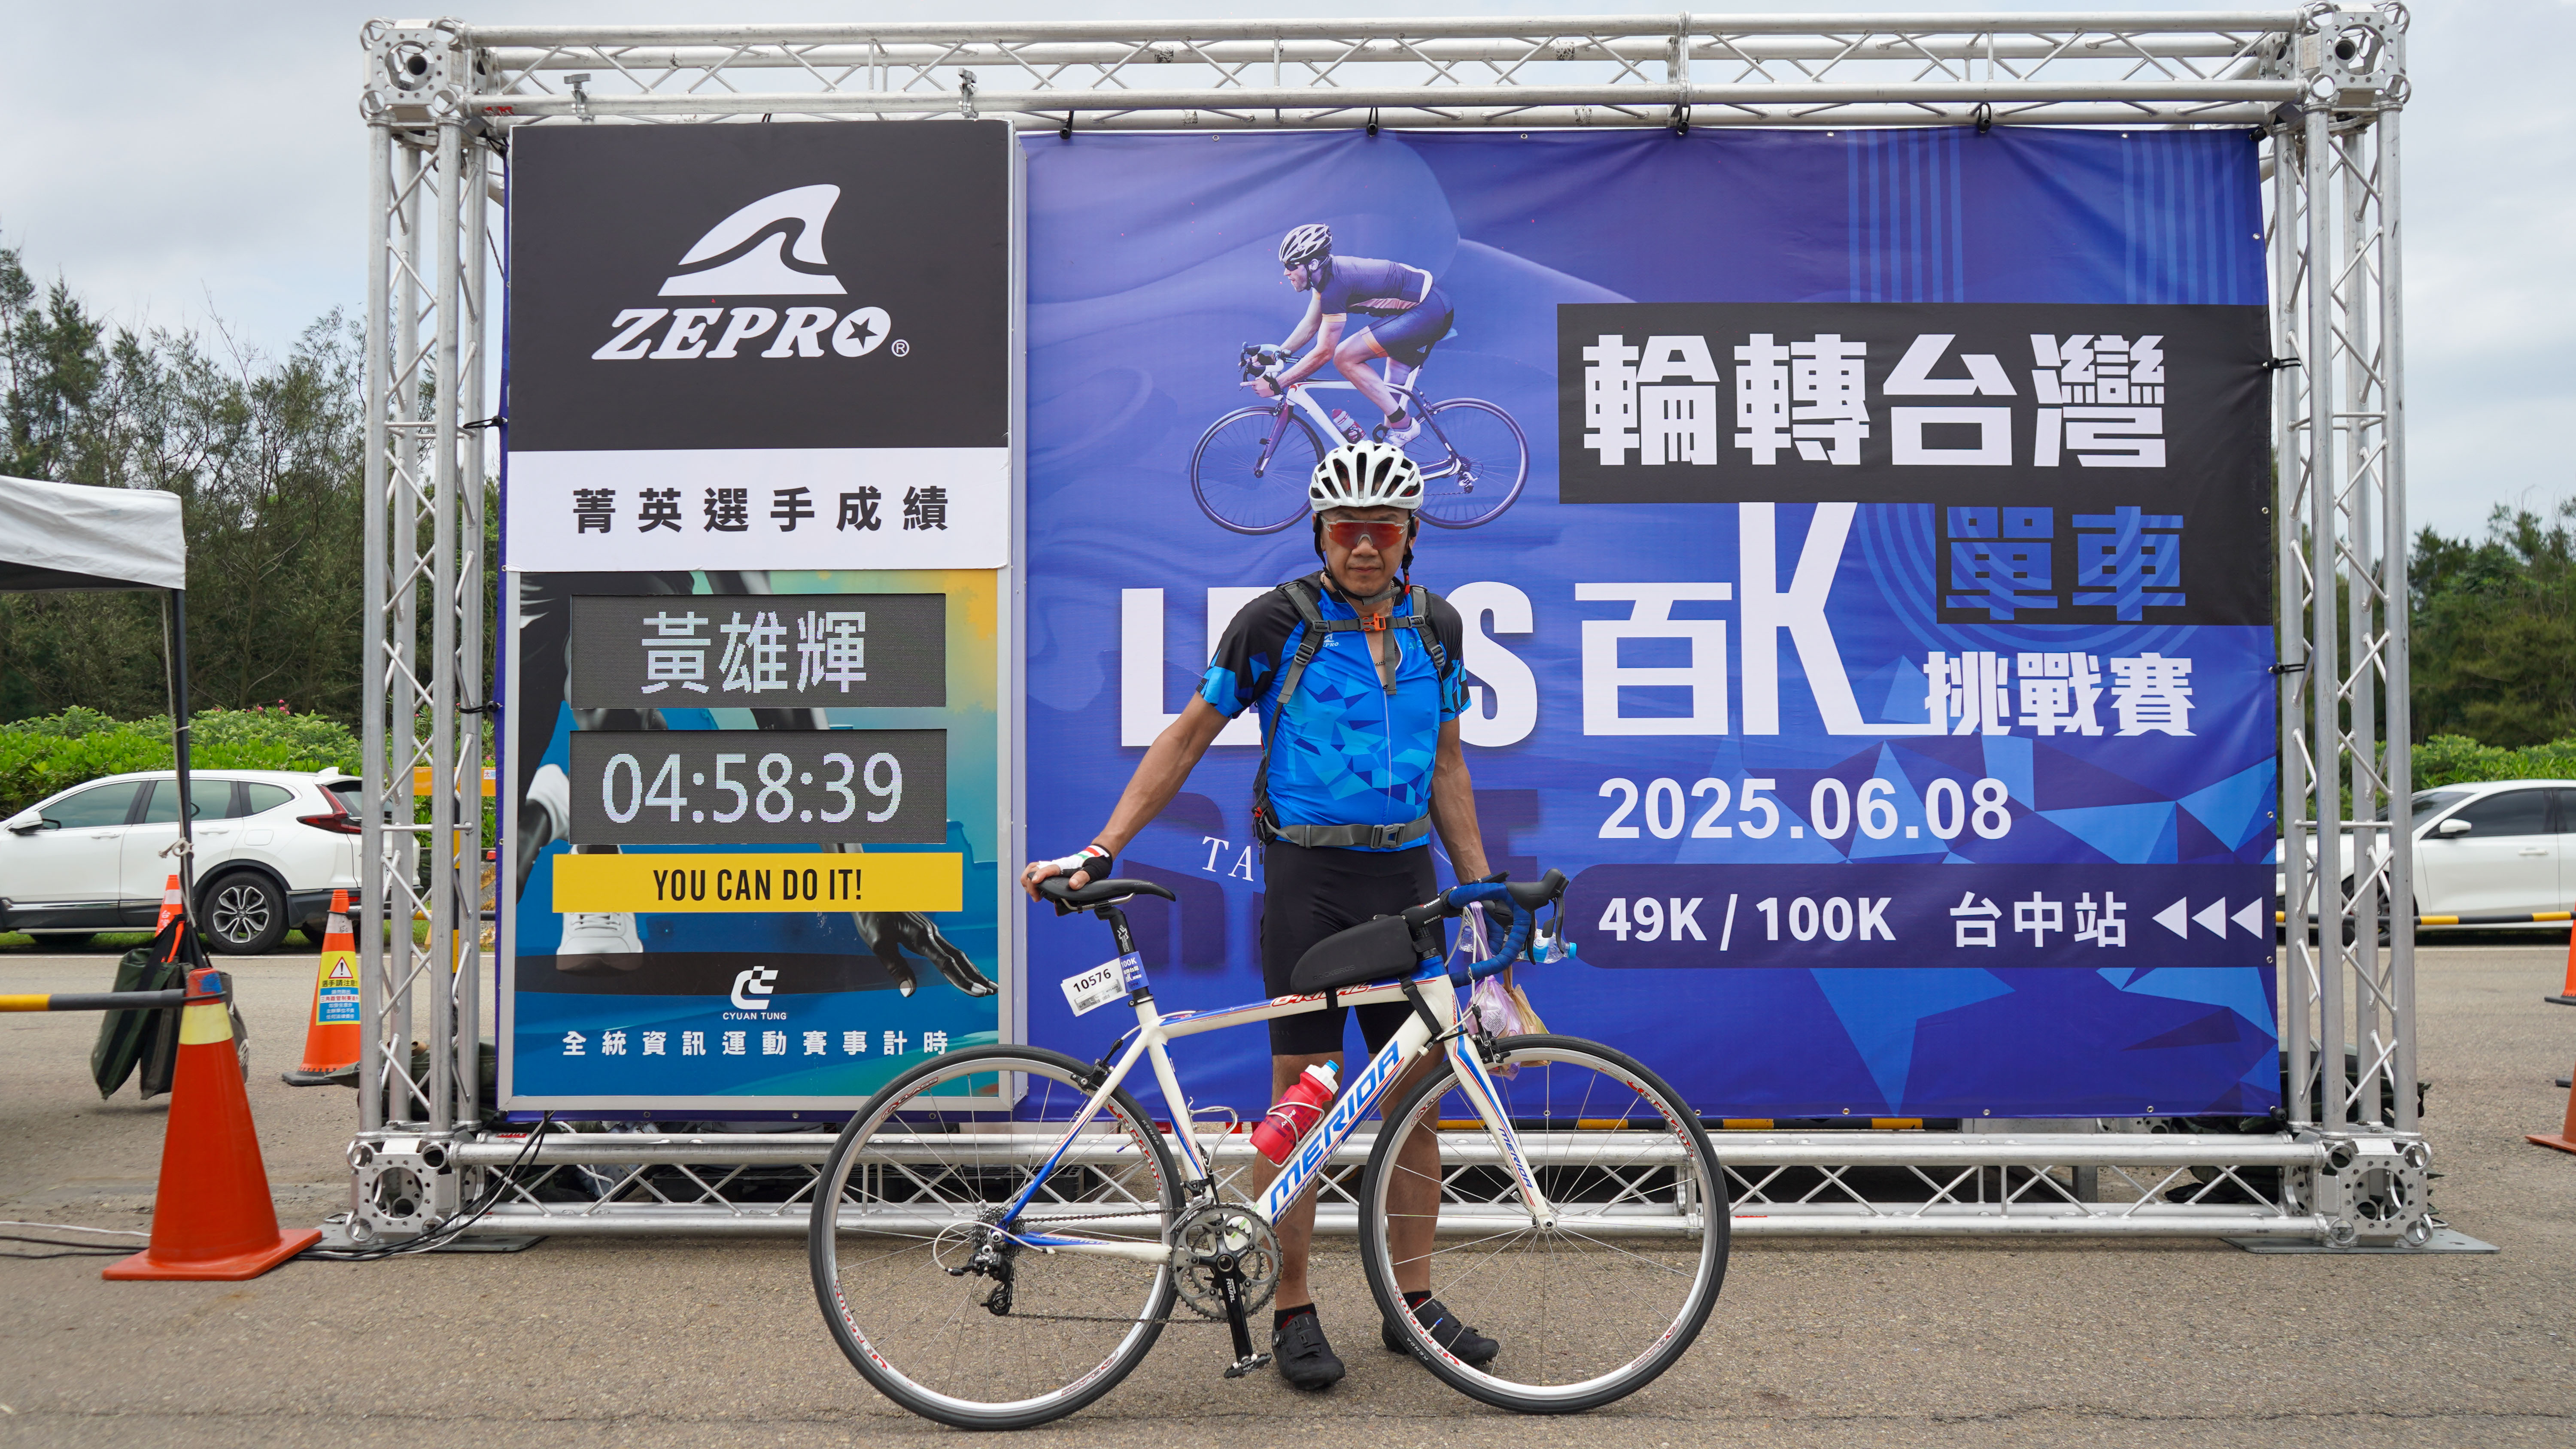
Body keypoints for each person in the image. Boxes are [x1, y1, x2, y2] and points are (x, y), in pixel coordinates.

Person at [1022, 440, 1498, 1390]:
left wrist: (1479, 891)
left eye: (1383, 529)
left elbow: (1449, 767)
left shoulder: (1439, 626)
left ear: (1409, 536)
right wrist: (1104, 846)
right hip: (1309, 883)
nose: (1364, 546)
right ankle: (1292, 1308)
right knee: (1303, 1099)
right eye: (1346, 528)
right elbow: (1188, 735)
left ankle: (1412, 1303)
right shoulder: (1274, 623)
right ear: (1320, 533)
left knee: (1419, 1100)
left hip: (1407, 881)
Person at [1258, 222, 1453, 446]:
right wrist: (1274, 356)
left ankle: (1405, 426)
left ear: (1312, 264)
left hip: (1427, 312)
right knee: (1391, 409)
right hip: (1426, 308)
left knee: (1344, 356)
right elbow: (1310, 325)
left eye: (1292, 265)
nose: (1286, 272)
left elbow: (1324, 353)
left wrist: (1278, 383)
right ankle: (1395, 441)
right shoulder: (1325, 279)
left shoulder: (1335, 286)